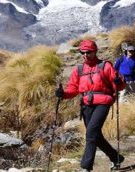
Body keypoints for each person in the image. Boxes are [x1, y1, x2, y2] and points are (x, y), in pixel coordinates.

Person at [55, 40, 126, 171]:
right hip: (86, 104)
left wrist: (118, 81)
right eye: (83, 52)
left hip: (103, 102)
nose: (86, 55)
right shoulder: (79, 69)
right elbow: (73, 89)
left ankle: (86, 167)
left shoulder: (105, 66)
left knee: (91, 132)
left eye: (89, 52)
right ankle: (115, 158)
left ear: (95, 52)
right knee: (96, 136)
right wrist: (63, 94)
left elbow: (119, 86)